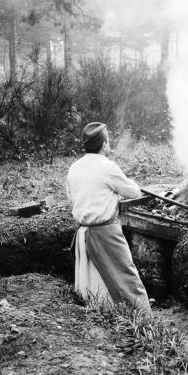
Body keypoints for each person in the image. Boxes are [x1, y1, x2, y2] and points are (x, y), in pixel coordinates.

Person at [65, 122, 152, 315]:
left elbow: (73, 197)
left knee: (94, 282)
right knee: (127, 279)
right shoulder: (107, 166)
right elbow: (132, 192)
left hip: (83, 232)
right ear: (104, 145)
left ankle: (102, 318)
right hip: (105, 233)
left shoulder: (74, 168)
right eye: (108, 141)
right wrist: (126, 187)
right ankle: (144, 322)